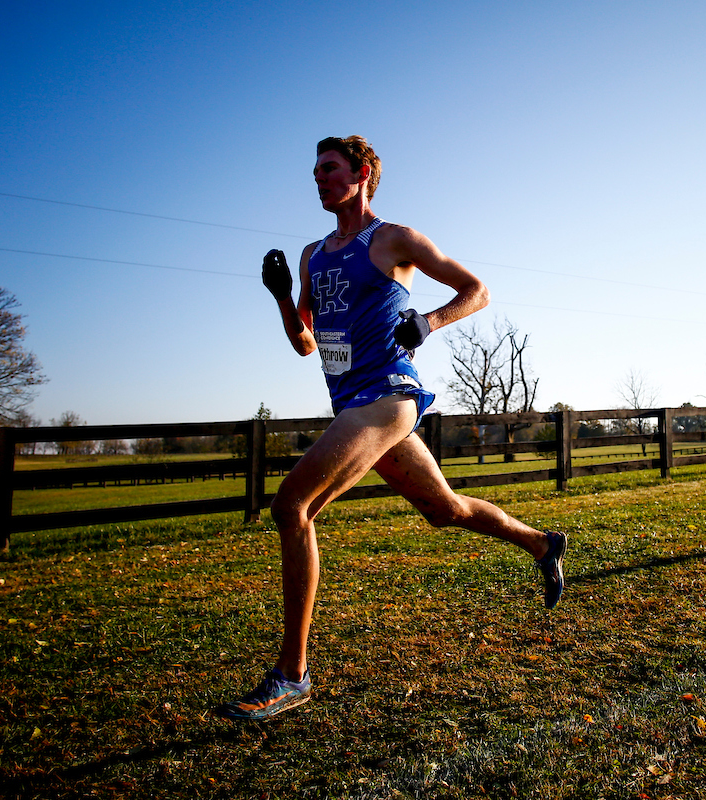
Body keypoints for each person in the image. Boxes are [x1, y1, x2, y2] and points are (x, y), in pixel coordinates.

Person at [216, 136, 567, 722]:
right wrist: (282, 299)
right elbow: (305, 343)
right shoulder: (312, 255)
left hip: (389, 398)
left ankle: (292, 674)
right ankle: (542, 542)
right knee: (444, 510)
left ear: (364, 174)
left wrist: (427, 322)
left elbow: (476, 291)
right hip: (352, 405)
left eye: (330, 169)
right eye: (315, 171)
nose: (319, 179)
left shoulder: (392, 240)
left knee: (291, 508)